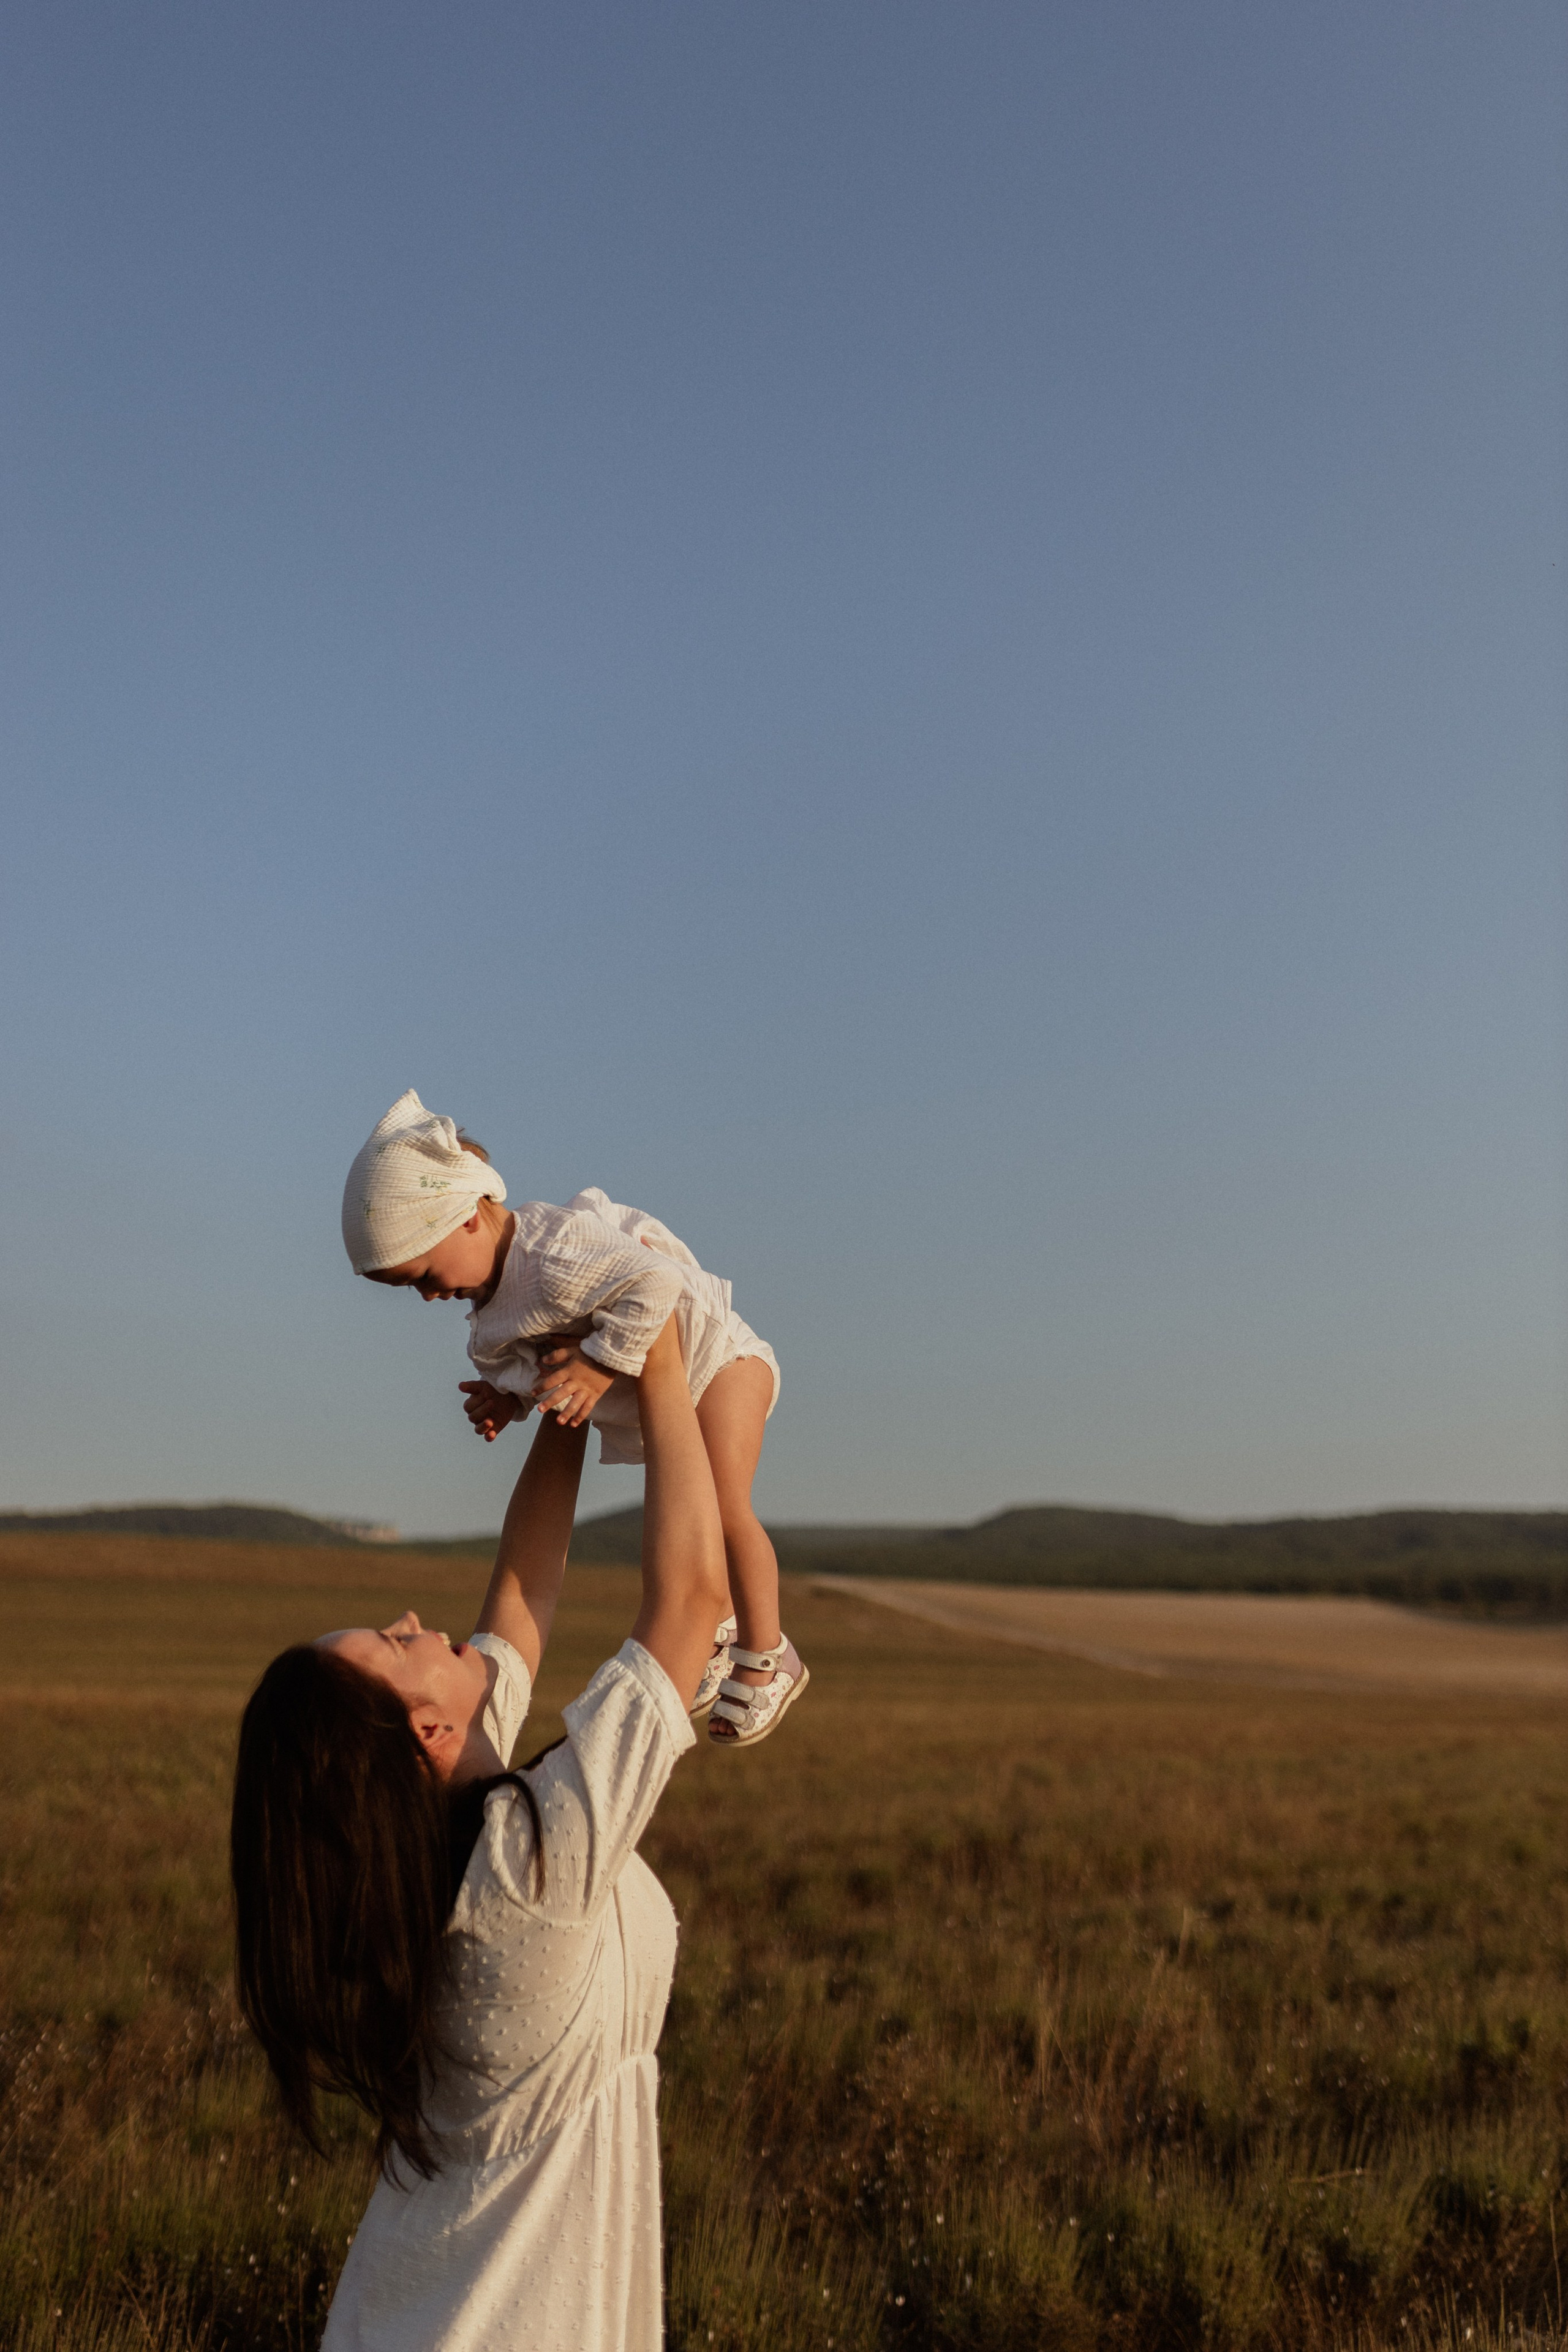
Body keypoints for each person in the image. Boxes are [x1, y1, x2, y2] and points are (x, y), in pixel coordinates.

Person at [230, 1317, 732, 2352]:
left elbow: (523, 1584)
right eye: (393, 1642)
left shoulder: (460, 1830)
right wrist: (660, 1341)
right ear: (425, 1731)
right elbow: (691, 1601)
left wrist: (570, 1400)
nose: (416, 1619)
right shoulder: (520, 1878)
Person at [339, 1087, 807, 1747]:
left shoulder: (555, 1250)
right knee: (686, 1516)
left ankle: (768, 1655)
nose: (429, 1295)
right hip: (668, 1387)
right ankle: (716, 1631)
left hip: (721, 1359)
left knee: (725, 1508)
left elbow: (657, 1285)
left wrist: (597, 1367)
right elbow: (536, 1362)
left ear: (469, 1216)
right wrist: (511, 1399)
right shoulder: (490, 1315)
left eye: (425, 1274)